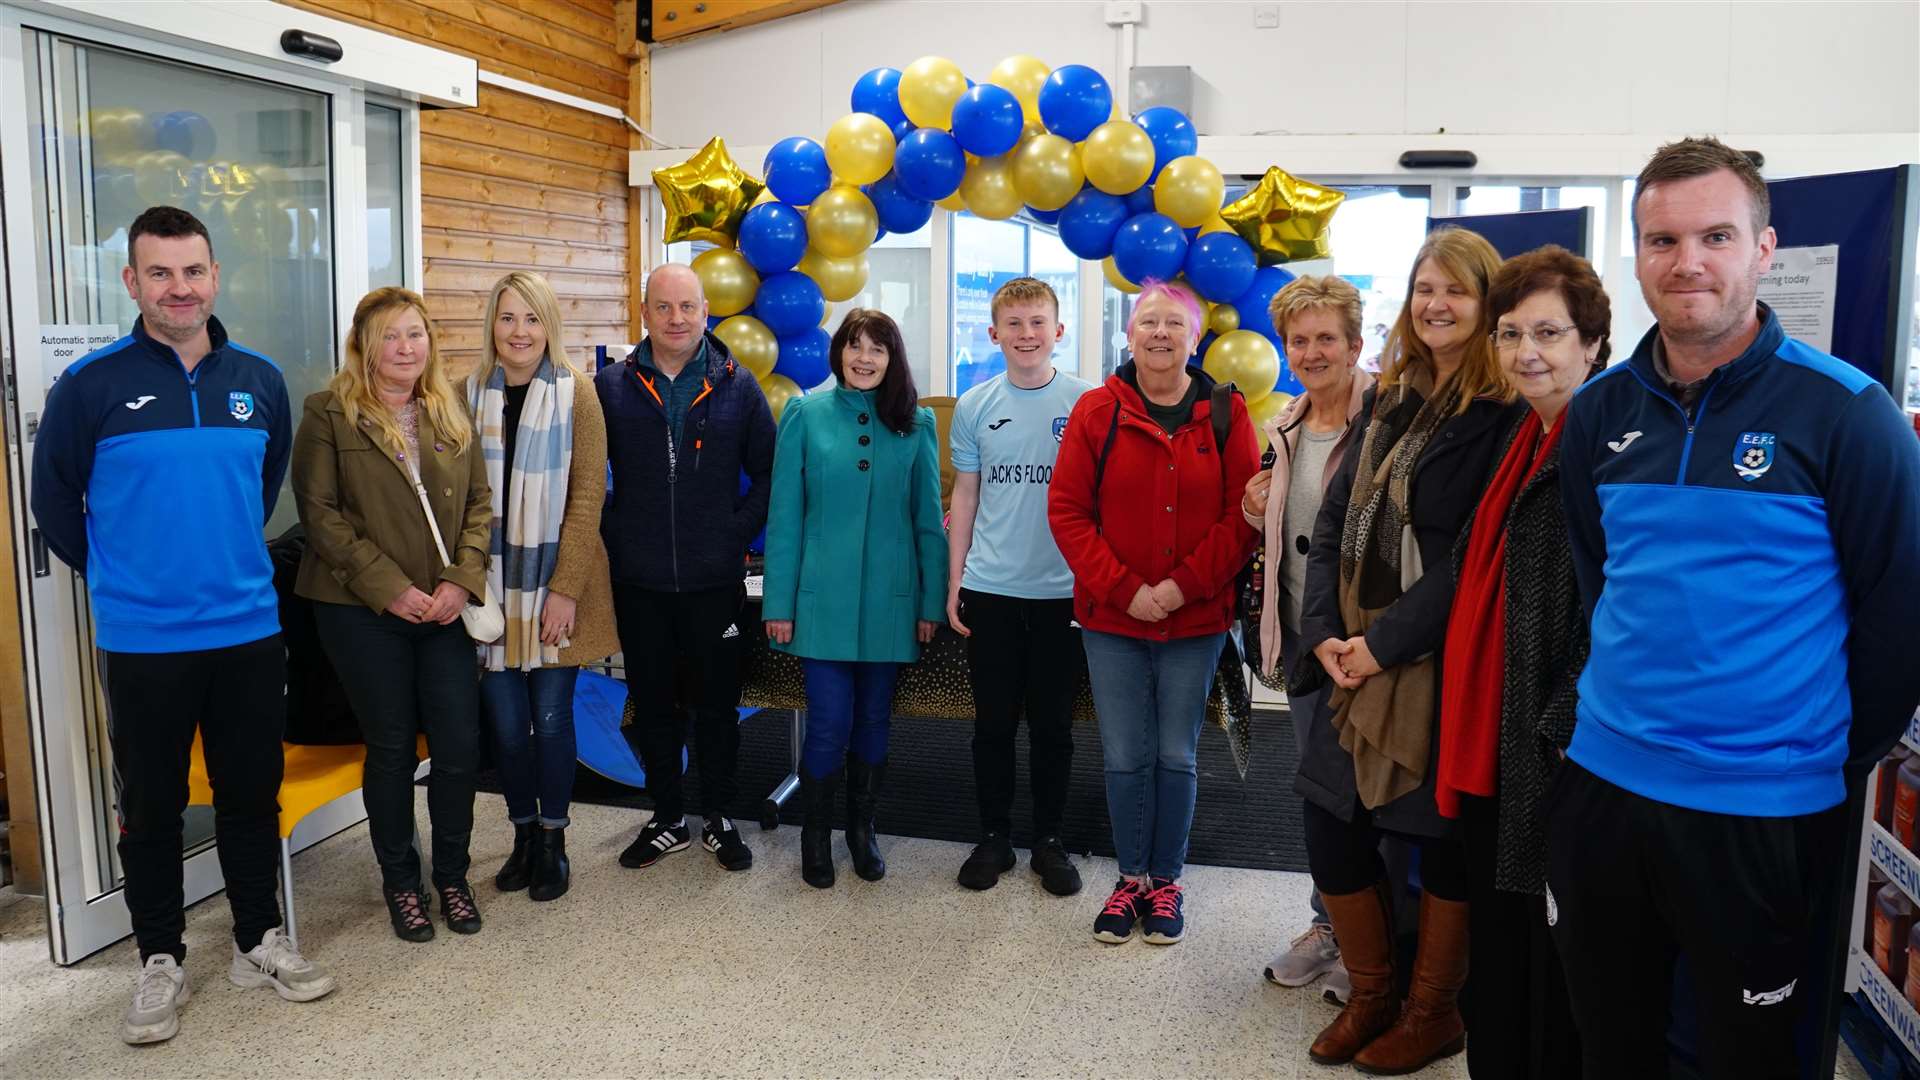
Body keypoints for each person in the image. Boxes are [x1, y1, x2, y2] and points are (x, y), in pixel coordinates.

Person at [1551, 137, 1920, 1080]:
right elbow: (1602, 578)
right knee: (1612, 1039)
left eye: (1717, 234)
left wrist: (1802, 748)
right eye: (1662, 239)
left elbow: (1896, 619)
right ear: (1637, 256)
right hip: (1607, 786)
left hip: (1762, 807)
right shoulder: (1598, 412)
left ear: (1764, 248)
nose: (1688, 262)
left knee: (1743, 1058)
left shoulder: (1847, 413)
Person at [31, 205, 333, 1043]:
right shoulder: (90, 387)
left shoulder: (260, 381)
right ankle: (159, 958)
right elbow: (54, 501)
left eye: (192, 271)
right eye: (159, 273)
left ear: (215, 278)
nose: (178, 288)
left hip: (245, 629)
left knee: (248, 795)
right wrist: (127, 574)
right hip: (143, 639)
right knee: (154, 805)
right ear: (131, 282)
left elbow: (263, 486)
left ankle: (256, 940)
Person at [1292, 227, 1520, 1073]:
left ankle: (1433, 1014)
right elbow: (1332, 519)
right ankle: (1372, 994)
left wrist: (1382, 645)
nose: (1437, 304)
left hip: (1436, 667)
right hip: (1349, 658)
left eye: (1456, 290)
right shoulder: (1392, 400)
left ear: (1487, 302)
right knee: (1329, 825)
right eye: (1426, 287)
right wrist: (1322, 635)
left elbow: (1473, 559)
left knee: (1443, 844)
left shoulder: (1502, 415)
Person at [1437, 245, 1606, 1078]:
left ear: (1592, 345)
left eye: (1549, 332)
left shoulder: (1602, 452)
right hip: (1490, 734)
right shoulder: (1525, 438)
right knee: (1502, 950)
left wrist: (1556, 731)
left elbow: (1616, 611)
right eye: (1510, 333)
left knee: (1548, 964)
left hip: (1547, 751)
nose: (1526, 351)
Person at [1048, 280, 1259, 946]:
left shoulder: (1228, 413)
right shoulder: (1095, 412)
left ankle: (1167, 879)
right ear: (1128, 334)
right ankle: (1130, 878)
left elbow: (1244, 516)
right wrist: (1126, 589)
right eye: (1148, 322)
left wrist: (1179, 588)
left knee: (1176, 754)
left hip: (1194, 622)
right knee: (1124, 755)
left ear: (1196, 340)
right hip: (1112, 620)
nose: (1160, 334)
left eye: (1175, 323)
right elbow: (1068, 512)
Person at [291, 286, 492, 943]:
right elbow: (319, 515)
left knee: (459, 745)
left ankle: (453, 877)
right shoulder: (328, 413)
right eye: (391, 336)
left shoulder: (449, 409)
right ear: (365, 346)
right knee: (392, 747)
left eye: (416, 334)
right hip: (360, 610)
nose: (406, 348)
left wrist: (461, 583)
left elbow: (479, 507)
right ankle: (402, 884)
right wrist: (391, 589)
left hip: (443, 609)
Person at [599, 264, 776, 874]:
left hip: (714, 580)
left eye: (688, 307)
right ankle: (668, 817)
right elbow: (587, 481)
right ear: (644, 313)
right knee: (652, 704)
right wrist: (614, 532)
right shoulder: (611, 387)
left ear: (706, 313)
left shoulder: (737, 385)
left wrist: (734, 533)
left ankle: (721, 816)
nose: (677, 319)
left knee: (717, 707)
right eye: (664, 307)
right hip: (639, 579)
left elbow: (771, 475)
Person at [762, 309, 946, 889]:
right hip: (821, 604)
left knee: (873, 725)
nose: (865, 358)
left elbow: (927, 524)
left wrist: (929, 603)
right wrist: (778, 603)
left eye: (878, 349)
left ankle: (860, 832)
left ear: (893, 359)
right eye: (855, 346)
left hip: (891, 605)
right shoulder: (805, 415)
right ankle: (814, 836)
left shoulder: (914, 424)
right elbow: (785, 517)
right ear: (838, 352)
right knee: (826, 725)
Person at [1240, 275, 1375, 999]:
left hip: (1367, 651)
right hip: (1301, 640)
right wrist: (1251, 506)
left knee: (1372, 801)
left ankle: (1373, 946)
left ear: (1356, 344)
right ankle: (1329, 924)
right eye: (1300, 340)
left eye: (1328, 338)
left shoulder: (1385, 420)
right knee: (1321, 799)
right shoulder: (1288, 424)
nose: (1313, 351)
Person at [469, 271, 617, 903]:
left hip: (558, 585)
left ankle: (554, 841)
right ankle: (523, 835)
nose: (519, 332)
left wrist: (565, 588)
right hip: (493, 587)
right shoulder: (467, 392)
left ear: (548, 325)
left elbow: (588, 497)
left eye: (531, 319)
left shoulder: (577, 393)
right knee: (505, 726)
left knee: (551, 719)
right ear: (492, 327)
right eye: (507, 319)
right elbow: (462, 500)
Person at [947, 277, 1093, 896]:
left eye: (1038, 322)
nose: (1026, 334)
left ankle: (1050, 840)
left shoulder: (1090, 404)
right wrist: (955, 582)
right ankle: (995, 837)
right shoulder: (975, 405)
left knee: (1055, 727)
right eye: (1014, 324)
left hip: (1064, 594)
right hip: (993, 590)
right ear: (994, 334)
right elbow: (966, 494)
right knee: (993, 725)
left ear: (1058, 331)